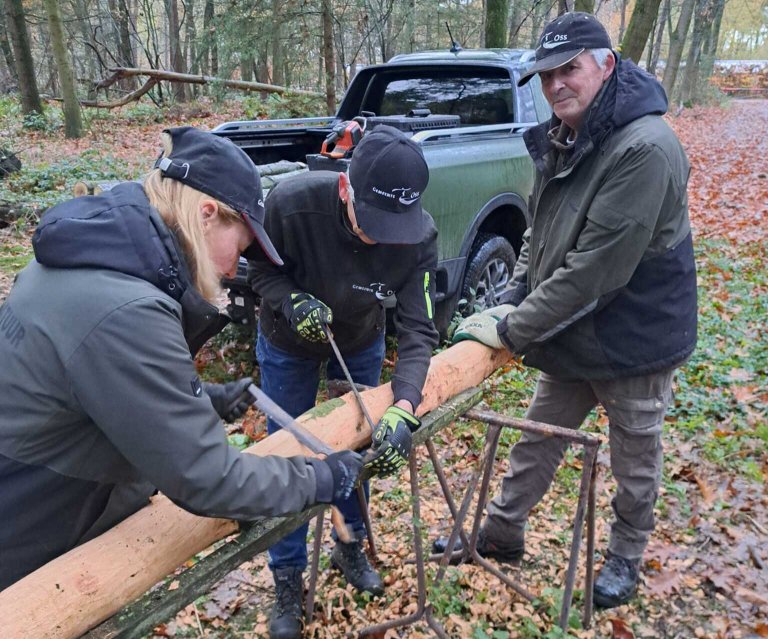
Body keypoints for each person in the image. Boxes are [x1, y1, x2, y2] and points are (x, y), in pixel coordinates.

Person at [0, 127, 365, 590]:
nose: (236, 269)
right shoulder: (127, 308)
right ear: (208, 214)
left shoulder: (94, 259)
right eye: (241, 247)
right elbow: (207, 479)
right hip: (27, 530)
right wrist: (318, 478)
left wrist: (204, 400)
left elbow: (90, 387)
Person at [445, 12, 697, 608]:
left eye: (570, 68)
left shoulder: (645, 148)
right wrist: (510, 296)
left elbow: (593, 272)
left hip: (635, 331)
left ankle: (625, 557)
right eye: (547, 74)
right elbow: (540, 233)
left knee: (634, 457)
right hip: (576, 327)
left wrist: (511, 328)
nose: (557, 83)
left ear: (606, 65)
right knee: (539, 435)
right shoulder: (566, 133)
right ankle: (503, 532)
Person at [247, 125, 439, 639]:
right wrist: (291, 302)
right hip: (288, 342)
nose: (380, 237)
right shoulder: (289, 204)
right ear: (344, 188)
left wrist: (405, 405)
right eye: (371, 222)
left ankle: (349, 543)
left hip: (358, 341)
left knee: (357, 447)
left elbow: (420, 327)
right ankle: (287, 575)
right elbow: (259, 271)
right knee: (287, 455)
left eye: (394, 226)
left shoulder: (419, 235)